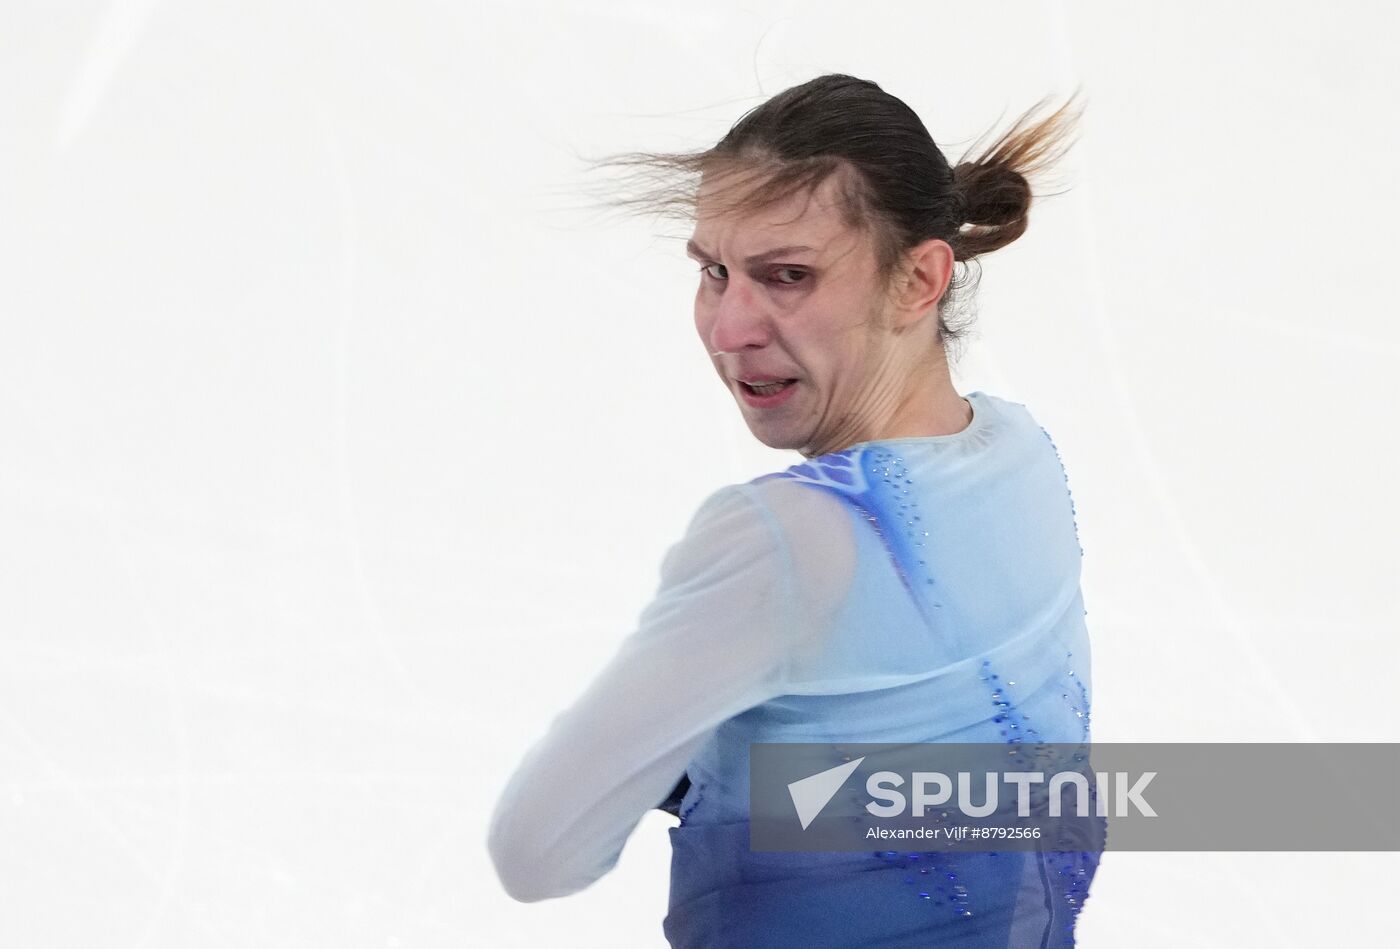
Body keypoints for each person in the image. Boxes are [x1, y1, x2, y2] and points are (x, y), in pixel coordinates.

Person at [486, 73, 1099, 947]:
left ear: (919, 279)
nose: (729, 326)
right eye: (714, 272)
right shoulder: (1025, 456)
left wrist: (714, 782)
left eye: (788, 277)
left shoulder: (789, 539)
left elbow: (538, 851)